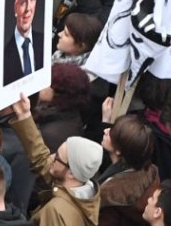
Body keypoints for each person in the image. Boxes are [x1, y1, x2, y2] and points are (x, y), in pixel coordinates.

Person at [9, 90, 104, 226]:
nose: (51, 157)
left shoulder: (55, 212)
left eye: (57, 157)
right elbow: (42, 158)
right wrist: (24, 115)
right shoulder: (84, 192)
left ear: (71, 173)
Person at [3, 0, 44, 83]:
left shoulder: (44, 42)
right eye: (23, 2)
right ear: (15, 8)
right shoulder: (2, 55)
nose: (28, 8)